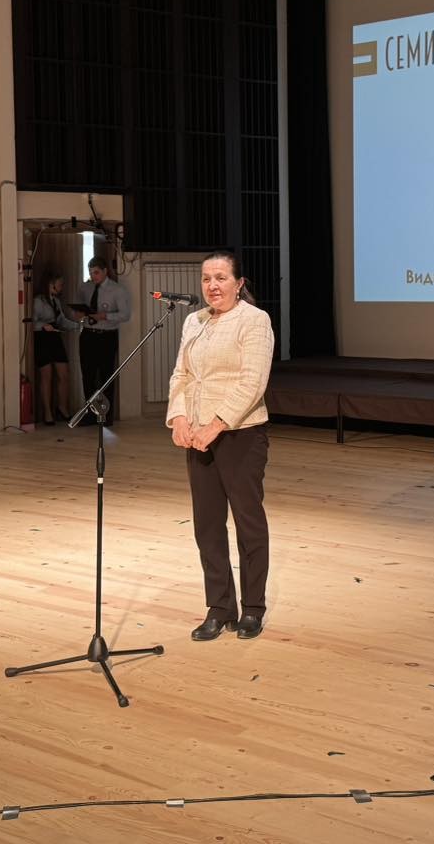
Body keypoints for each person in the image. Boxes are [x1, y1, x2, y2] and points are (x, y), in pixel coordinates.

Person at [166, 250, 275, 641]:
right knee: (208, 525)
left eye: (221, 278)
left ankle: (253, 608)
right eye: (206, 278)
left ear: (239, 283)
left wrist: (215, 425)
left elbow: (252, 382)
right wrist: (179, 417)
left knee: (248, 523)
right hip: (197, 435)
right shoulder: (193, 321)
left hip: (240, 434)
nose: (212, 285)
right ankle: (219, 607)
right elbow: (181, 374)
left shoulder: (254, 320)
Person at [75, 256, 131, 422]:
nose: (93, 276)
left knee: (106, 376)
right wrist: (78, 314)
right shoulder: (85, 288)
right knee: (88, 375)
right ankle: (90, 414)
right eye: (91, 273)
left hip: (106, 336)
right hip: (88, 334)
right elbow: (80, 307)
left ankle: (106, 415)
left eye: (96, 273)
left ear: (105, 271)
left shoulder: (117, 290)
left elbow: (125, 315)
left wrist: (105, 316)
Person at [31, 273, 82, 426]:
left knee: (64, 374)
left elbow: (61, 321)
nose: (61, 287)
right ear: (51, 284)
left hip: (55, 338)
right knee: (46, 376)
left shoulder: (56, 301)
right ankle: (47, 413)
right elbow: (32, 322)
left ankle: (62, 408)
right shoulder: (38, 301)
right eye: (60, 284)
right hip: (42, 338)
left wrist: (78, 325)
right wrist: (43, 326)